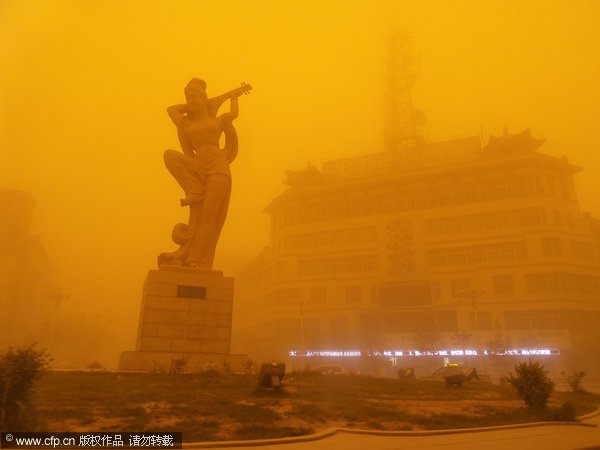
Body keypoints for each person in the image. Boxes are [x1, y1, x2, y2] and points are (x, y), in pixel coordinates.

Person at [158, 78, 251, 269]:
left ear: (205, 98)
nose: (191, 98)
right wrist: (193, 103)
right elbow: (171, 110)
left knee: (207, 217)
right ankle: (193, 190)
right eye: (188, 96)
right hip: (198, 165)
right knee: (169, 155)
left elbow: (234, 114)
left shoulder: (218, 120)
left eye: (195, 95)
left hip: (218, 169)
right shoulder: (184, 123)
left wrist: (233, 97)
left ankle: (196, 260)